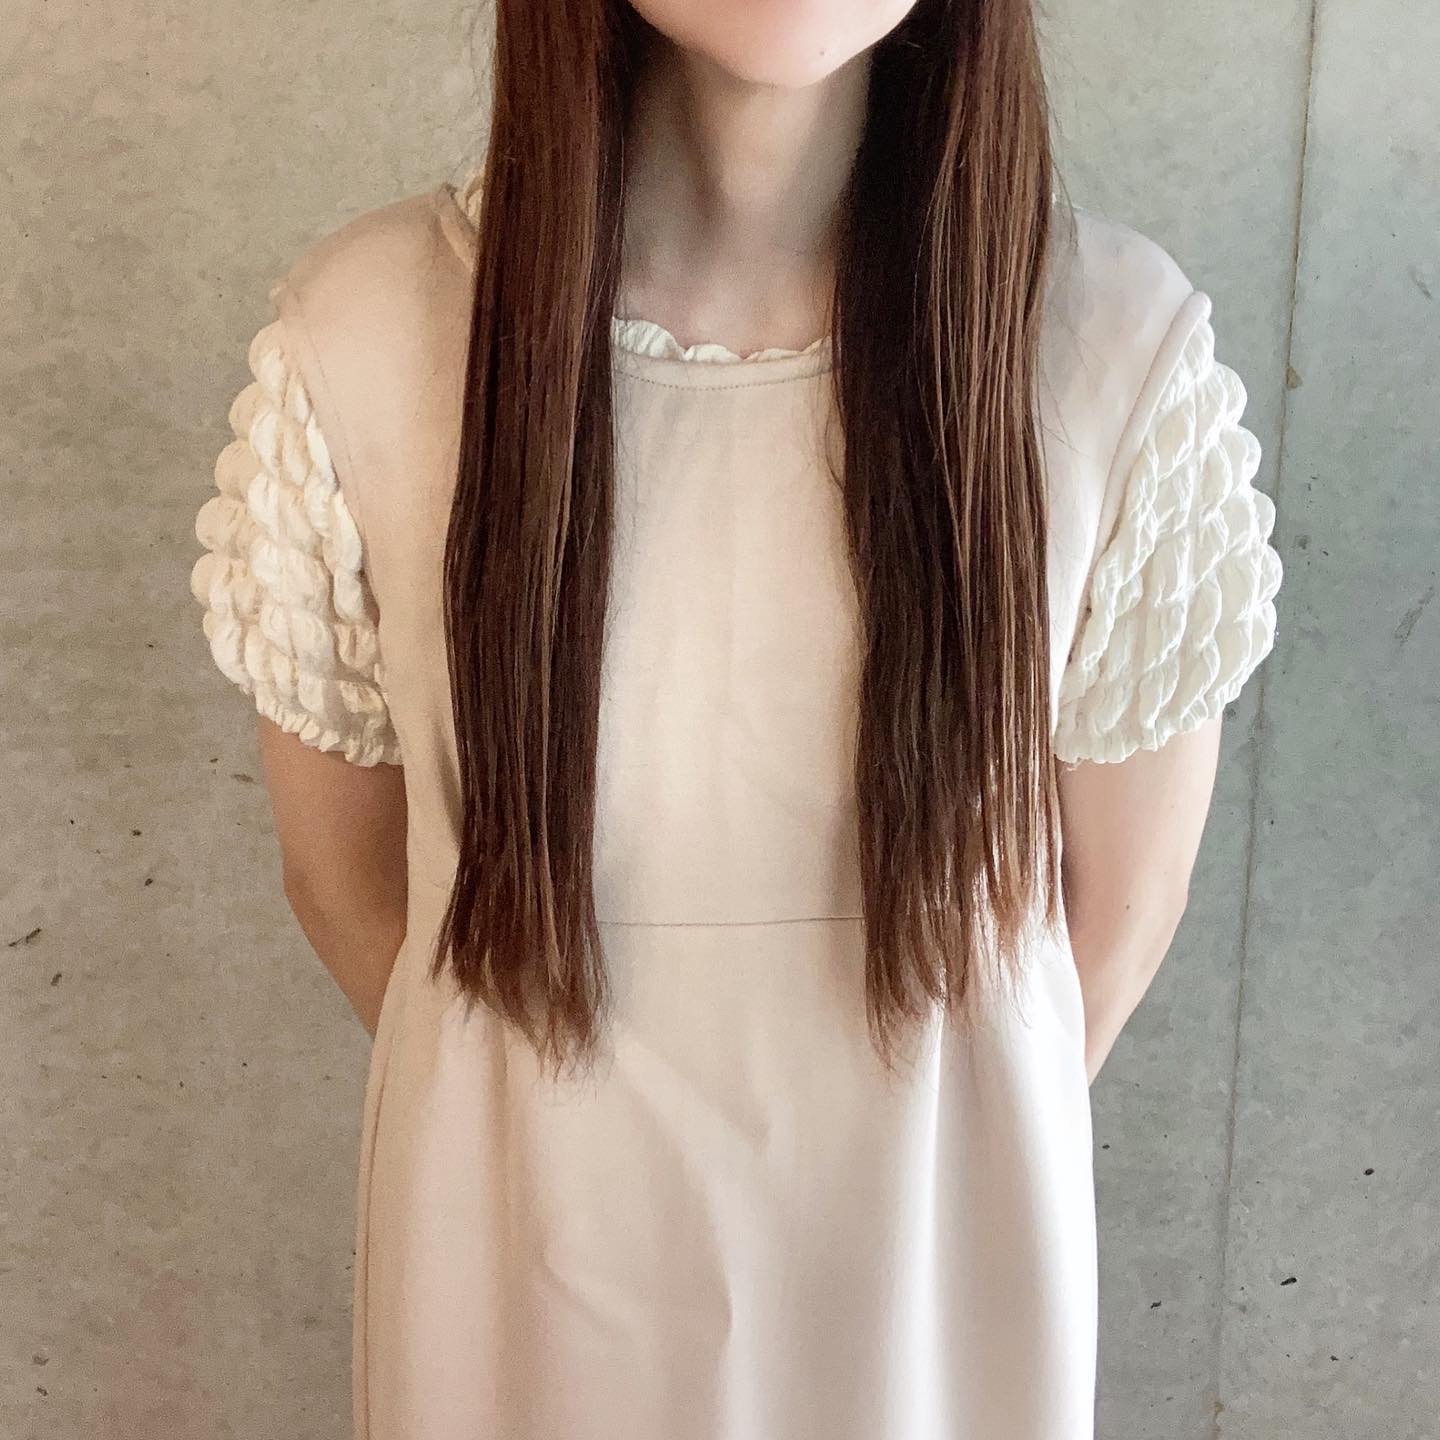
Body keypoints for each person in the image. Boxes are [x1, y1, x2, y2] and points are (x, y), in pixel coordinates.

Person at [188, 1, 1283, 1435]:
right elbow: (349, 890)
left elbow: (1113, 921)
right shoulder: (364, 346)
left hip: (929, 1340)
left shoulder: (1111, 357)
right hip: (518, 1323)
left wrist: (925, 1172)